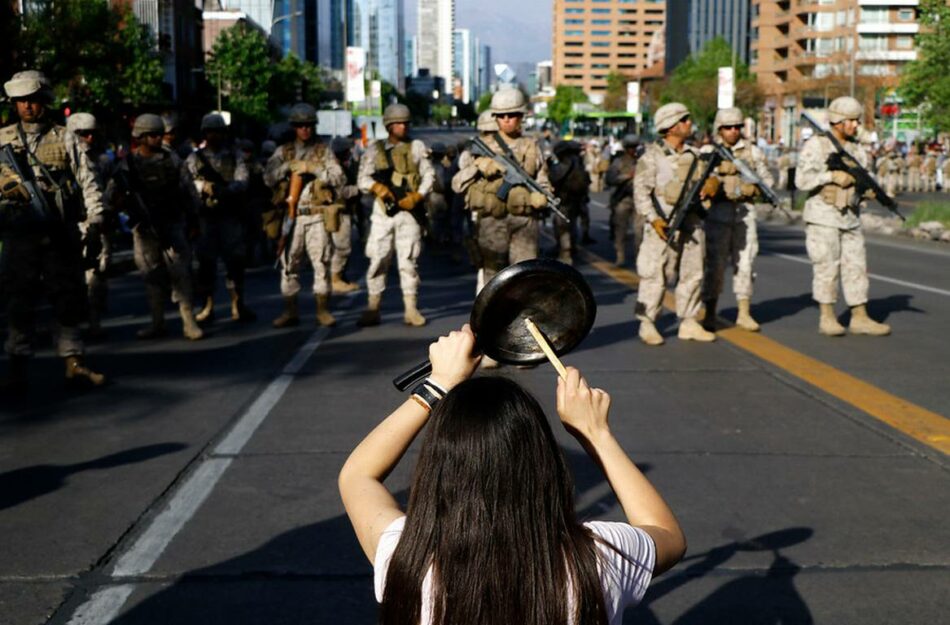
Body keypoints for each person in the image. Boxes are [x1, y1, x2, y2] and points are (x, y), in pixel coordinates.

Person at [338, 325, 686, 625]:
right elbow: (667, 533)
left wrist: (438, 385)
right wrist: (595, 433)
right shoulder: (598, 558)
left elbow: (358, 476)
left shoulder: (407, 556)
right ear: (544, 464)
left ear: (437, 469)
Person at [0, 71, 107, 392]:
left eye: (33, 100)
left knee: (68, 297)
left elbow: (89, 182)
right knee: (19, 301)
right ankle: (17, 365)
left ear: (44, 101)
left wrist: (95, 222)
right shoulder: (2, 139)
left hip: (59, 233)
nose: (28, 107)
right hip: (19, 236)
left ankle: (74, 361)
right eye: (21, 102)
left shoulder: (65, 138)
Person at [795, 96, 890, 336]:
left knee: (857, 266)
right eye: (852, 121)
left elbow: (863, 177)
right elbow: (801, 180)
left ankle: (859, 316)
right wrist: (830, 177)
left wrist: (867, 190)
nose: (856, 125)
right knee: (827, 266)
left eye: (857, 121)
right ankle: (827, 316)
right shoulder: (817, 145)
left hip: (850, 216)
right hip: (823, 216)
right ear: (838, 121)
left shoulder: (857, 148)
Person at [633, 102, 718, 346]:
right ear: (670, 127)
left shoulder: (695, 155)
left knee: (694, 273)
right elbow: (641, 193)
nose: (689, 124)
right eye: (684, 120)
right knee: (655, 274)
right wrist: (654, 219)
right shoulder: (652, 157)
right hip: (663, 227)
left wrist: (713, 185)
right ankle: (647, 322)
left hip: (692, 225)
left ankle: (689, 321)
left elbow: (706, 181)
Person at [117, 114, 203, 341]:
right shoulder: (129, 163)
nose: (157, 139)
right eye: (152, 135)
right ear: (140, 137)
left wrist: (194, 218)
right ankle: (157, 322)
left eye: (158, 134)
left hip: (172, 224)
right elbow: (113, 193)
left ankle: (189, 321)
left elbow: (188, 190)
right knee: (151, 276)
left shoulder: (171, 160)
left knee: (181, 275)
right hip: (144, 229)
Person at [452, 89, 551, 286]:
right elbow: (457, 184)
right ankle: (493, 316)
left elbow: (542, 179)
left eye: (512, 115)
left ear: (521, 117)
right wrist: (479, 166)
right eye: (501, 116)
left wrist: (543, 195)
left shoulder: (531, 146)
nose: (507, 120)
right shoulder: (480, 147)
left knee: (525, 275)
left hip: (524, 221)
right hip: (492, 221)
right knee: (493, 277)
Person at [266, 103, 347, 328]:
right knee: (289, 263)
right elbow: (268, 177)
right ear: (294, 127)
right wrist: (287, 168)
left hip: (316, 216)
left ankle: (322, 310)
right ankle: (290, 311)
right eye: (300, 126)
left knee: (321, 262)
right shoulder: (283, 152)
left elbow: (339, 177)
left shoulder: (323, 151)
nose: (305, 130)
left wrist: (312, 168)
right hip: (290, 217)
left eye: (309, 125)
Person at [356, 103, 434, 327]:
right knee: (378, 259)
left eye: (405, 123)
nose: (402, 127)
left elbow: (429, 175)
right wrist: (378, 188)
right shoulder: (374, 149)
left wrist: (418, 196)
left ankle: (411, 308)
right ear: (388, 126)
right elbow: (362, 179)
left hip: (409, 213)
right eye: (397, 123)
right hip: (383, 213)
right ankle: (373, 307)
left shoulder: (417, 147)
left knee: (408, 261)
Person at [701, 107, 774, 333]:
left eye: (737, 127)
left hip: (744, 215)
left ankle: (744, 312)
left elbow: (768, 181)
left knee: (746, 264)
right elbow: (696, 182)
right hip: (716, 216)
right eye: (728, 127)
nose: (733, 131)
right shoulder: (707, 152)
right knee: (715, 266)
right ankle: (710, 311)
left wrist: (754, 188)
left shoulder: (752, 153)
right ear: (719, 129)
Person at [185, 113, 256, 324]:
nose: (214, 135)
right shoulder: (194, 158)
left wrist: (225, 190)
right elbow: (186, 183)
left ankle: (238, 304)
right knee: (206, 265)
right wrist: (203, 187)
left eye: (217, 131)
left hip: (229, 217)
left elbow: (243, 181)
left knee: (235, 263)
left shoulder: (235, 157)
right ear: (204, 133)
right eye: (210, 131)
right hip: (206, 218)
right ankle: (208, 306)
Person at [67, 112, 114, 340]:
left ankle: (94, 321)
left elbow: (111, 191)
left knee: (97, 274)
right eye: (83, 133)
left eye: (92, 133)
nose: (89, 138)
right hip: (71, 224)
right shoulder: (66, 159)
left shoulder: (104, 161)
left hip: (97, 224)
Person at [548, 139, 591, 264]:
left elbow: (555, 177)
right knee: (571, 225)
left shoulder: (565, 164)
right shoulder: (578, 162)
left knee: (562, 227)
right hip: (576, 199)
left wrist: (549, 167)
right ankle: (571, 247)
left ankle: (565, 254)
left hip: (565, 200)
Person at [329, 136, 361, 293]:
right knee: (342, 247)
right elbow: (340, 192)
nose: (349, 153)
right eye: (347, 150)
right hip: (338, 212)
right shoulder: (336, 169)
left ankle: (340, 276)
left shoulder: (342, 166)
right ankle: (335, 279)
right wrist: (359, 188)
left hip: (343, 210)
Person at [605, 134, 641, 266]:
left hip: (639, 200)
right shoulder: (618, 162)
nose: (633, 150)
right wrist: (626, 176)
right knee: (620, 230)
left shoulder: (642, 161)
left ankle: (640, 259)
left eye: (635, 147)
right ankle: (620, 256)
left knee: (640, 231)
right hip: (623, 199)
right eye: (630, 147)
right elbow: (610, 179)